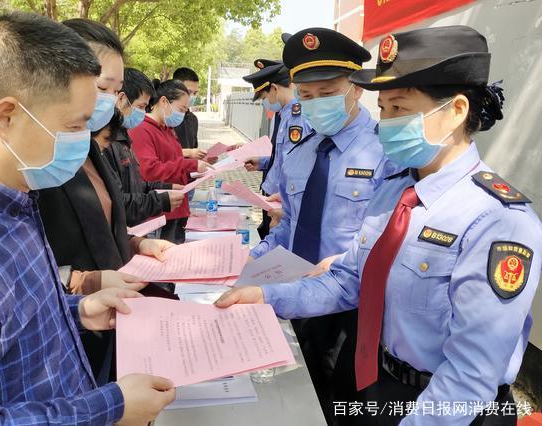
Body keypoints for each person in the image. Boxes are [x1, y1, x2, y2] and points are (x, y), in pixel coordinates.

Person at [216, 25, 542, 425]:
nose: (385, 123)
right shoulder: (395, 191)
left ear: (456, 111)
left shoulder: (497, 220)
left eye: (400, 109)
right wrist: (267, 298)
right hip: (380, 385)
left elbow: (471, 373)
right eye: (384, 108)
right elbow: (348, 280)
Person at [0, 12, 174, 424]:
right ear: (7, 117)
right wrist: (111, 407)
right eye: (74, 125)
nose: (84, 138)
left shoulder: (13, 200)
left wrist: (77, 311)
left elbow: (6, 327)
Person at [247, 28, 397, 419]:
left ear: (356, 89)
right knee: (298, 388)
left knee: (343, 401)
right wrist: (252, 259)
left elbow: (389, 238)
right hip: (296, 288)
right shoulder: (301, 150)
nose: (316, 104)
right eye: (306, 96)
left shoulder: (386, 152)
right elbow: (288, 226)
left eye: (328, 92)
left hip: (353, 307)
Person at [36, 18, 175, 384]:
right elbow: (26, 267)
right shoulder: (37, 161)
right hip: (71, 335)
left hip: (113, 317)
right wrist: (87, 282)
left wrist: (136, 243)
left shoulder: (86, 146)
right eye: (101, 87)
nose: (110, 102)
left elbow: (105, 220)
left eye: (115, 91)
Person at [94, 67, 184, 226]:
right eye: (141, 107)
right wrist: (158, 201)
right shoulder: (106, 142)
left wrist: (166, 187)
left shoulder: (123, 137)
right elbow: (116, 201)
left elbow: (136, 184)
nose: (143, 113)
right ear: (121, 100)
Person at [129, 79, 210, 243]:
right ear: (164, 101)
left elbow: (173, 162)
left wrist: (194, 173)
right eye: (181, 109)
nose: (183, 115)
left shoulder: (167, 129)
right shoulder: (142, 129)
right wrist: (190, 164)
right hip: (160, 212)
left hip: (177, 208)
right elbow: (148, 170)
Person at [242, 57, 312, 238]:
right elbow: (282, 155)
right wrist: (264, 162)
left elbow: (295, 164)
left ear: (274, 89)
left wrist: (287, 206)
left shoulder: (297, 117)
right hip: (275, 198)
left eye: (265, 97)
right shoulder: (286, 114)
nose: (265, 102)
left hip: (282, 201)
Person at [172, 67, 206, 160]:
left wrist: (204, 159)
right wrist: (188, 153)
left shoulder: (192, 119)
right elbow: (161, 153)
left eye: (195, 93)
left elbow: (193, 153)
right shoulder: (166, 118)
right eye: (188, 92)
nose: (191, 97)